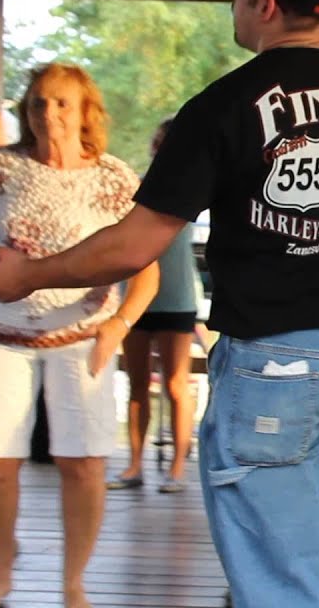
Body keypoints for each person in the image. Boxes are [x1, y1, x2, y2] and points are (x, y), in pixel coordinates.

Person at [0, 0, 319, 607]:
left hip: (274, 366)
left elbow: (136, 242)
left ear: (265, 5)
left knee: (278, 574)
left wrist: (27, 275)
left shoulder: (225, 104)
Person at [0, 63, 160, 608]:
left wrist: (119, 325)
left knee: (81, 463)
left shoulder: (113, 177)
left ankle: (73, 581)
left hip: (82, 340)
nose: (48, 114)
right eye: (38, 102)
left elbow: (145, 268)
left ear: (86, 112)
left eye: (62, 103)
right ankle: (3, 569)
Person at [108, 118, 202, 495]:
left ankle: (177, 469)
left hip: (177, 296)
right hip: (133, 296)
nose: (161, 146)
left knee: (177, 384)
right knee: (136, 384)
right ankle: (133, 466)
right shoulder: (131, 184)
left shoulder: (194, 182)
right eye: (158, 140)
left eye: (169, 141)